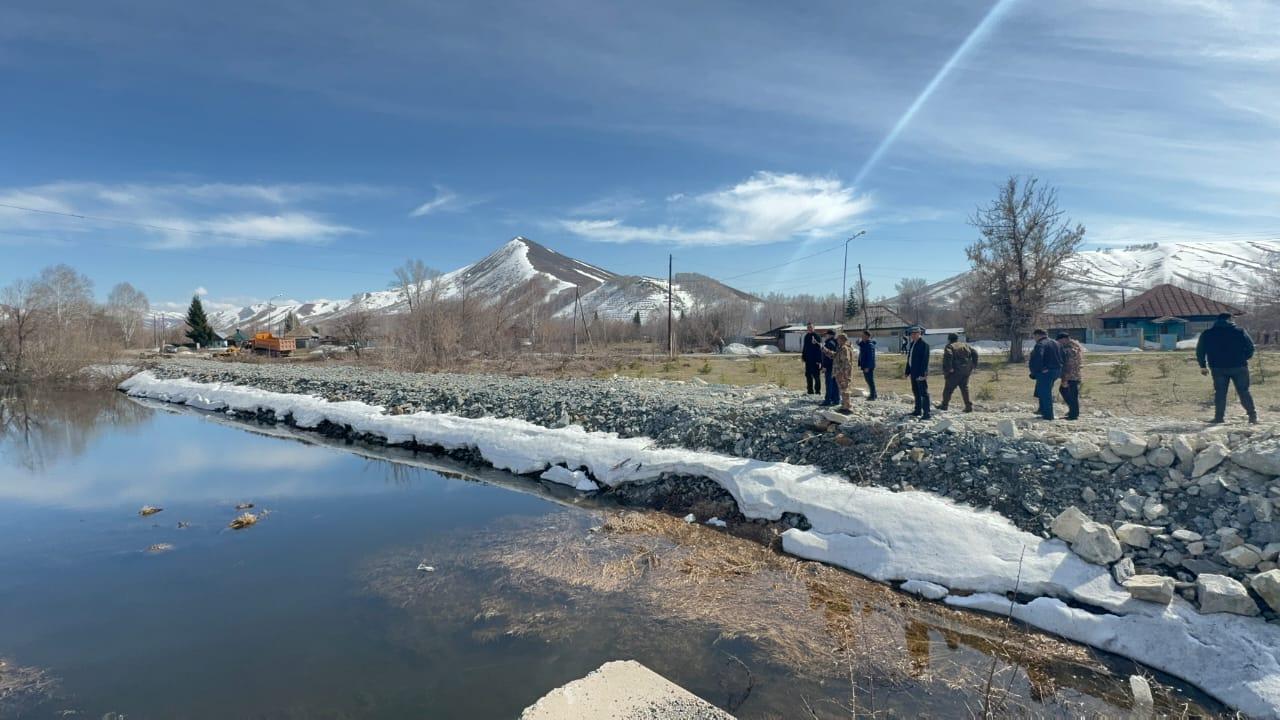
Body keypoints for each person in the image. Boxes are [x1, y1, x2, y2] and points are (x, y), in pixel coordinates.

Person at [1196, 312, 1258, 424]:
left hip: (1217, 367)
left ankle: (1219, 418)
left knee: (1220, 393)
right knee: (1244, 391)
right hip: (1239, 366)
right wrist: (1244, 358)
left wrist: (1203, 366)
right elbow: (1250, 347)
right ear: (1230, 319)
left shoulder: (1207, 333)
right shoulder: (1240, 332)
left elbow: (1200, 350)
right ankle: (1252, 416)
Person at [939, 332, 979, 412]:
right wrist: (974, 365)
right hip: (966, 371)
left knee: (948, 389)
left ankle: (944, 405)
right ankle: (968, 406)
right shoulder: (965, 345)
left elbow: (949, 355)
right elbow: (975, 353)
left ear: (949, 339)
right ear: (957, 338)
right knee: (964, 388)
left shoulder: (950, 346)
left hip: (955, 371)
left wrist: (949, 368)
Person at [1028, 329, 1062, 420]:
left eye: (1034, 336)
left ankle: (1048, 416)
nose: (1034, 339)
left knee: (1045, 393)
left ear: (1038, 335)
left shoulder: (1041, 344)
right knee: (1042, 390)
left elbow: (1038, 356)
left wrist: (1040, 368)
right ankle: (1042, 410)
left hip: (1046, 372)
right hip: (1056, 370)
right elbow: (1063, 355)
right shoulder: (1056, 343)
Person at [1056, 332, 1084, 420]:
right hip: (1075, 374)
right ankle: (1073, 411)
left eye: (1059, 341)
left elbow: (1069, 365)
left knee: (1070, 394)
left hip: (1071, 375)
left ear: (1064, 339)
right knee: (1070, 393)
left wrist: (1065, 378)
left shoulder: (1069, 349)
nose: (1059, 343)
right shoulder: (1075, 346)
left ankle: (1073, 414)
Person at [904, 326, 931, 419]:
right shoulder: (912, 344)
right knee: (916, 392)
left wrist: (923, 374)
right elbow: (909, 358)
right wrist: (907, 371)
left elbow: (925, 361)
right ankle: (917, 410)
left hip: (920, 373)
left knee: (924, 393)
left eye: (916, 333)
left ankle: (927, 413)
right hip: (913, 372)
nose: (913, 335)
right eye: (912, 334)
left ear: (920, 334)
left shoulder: (924, 345)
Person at [829, 333, 857, 413]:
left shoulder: (844, 348)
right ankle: (844, 405)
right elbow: (836, 356)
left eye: (838, 339)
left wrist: (842, 373)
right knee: (843, 390)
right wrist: (826, 351)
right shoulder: (841, 348)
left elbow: (846, 362)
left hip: (843, 374)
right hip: (841, 372)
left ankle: (847, 407)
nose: (837, 340)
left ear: (842, 339)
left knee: (845, 390)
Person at [801, 322, 824, 396]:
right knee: (808, 375)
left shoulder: (817, 336)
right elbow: (805, 347)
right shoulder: (806, 336)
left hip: (815, 360)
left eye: (810, 327)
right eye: (808, 327)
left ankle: (817, 391)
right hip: (808, 360)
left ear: (814, 328)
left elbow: (820, 348)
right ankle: (810, 391)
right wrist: (803, 356)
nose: (809, 329)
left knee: (816, 376)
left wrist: (819, 361)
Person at [820, 330, 840, 406]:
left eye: (826, 334)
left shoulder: (829, 343)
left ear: (830, 335)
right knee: (835, 383)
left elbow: (827, 357)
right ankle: (836, 399)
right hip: (835, 366)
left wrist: (824, 366)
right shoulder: (836, 342)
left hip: (829, 367)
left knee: (829, 384)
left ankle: (827, 400)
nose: (825, 336)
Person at [858, 330, 878, 400]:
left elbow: (871, 357)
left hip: (868, 366)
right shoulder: (865, 343)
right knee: (868, 380)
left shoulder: (870, 345)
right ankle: (874, 394)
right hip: (865, 365)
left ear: (867, 336)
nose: (861, 337)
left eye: (863, 336)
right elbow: (860, 344)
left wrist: (868, 367)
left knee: (870, 380)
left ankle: (873, 396)